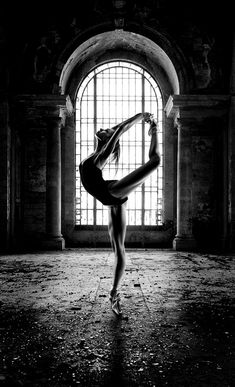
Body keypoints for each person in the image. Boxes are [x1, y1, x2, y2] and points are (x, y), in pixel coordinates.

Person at [79, 112, 161, 316]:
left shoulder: (102, 155)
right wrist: (114, 131)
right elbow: (117, 129)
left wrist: (142, 117)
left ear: (108, 140)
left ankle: (155, 133)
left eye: (107, 131)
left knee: (156, 161)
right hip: (111, 200)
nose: (104, 129)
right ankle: (114, 295)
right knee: (119, 250)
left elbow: (120, 129)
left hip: (112, 192)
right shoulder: (94, 153)